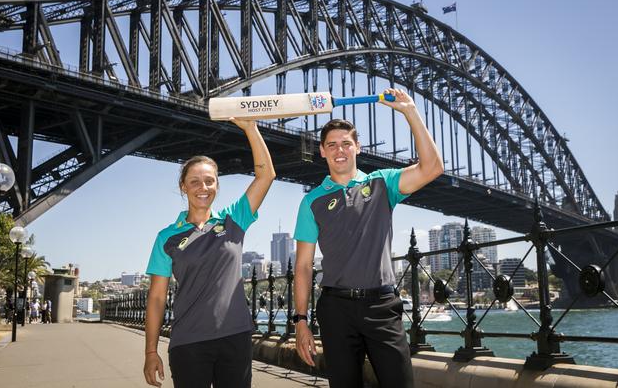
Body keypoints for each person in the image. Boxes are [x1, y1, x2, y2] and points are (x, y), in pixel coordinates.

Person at [293, 88, 443, 387]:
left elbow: (433, 168)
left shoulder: (382, 183)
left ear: (357, 147)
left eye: (346, 144)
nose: (339, 151)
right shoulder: (312, 201)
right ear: (321, 150)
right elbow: (304, 267)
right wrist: (300, 321)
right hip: (335, 308)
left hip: (381, 306)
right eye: (332, 145)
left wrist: (410, 112)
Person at [143, 119, 275, 388]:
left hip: (235, 337)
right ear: (183, 186)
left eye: (209, 181)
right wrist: (150, 351)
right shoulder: (166, 238)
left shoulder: (233, 220)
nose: (202, 188)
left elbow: (266, 176)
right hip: (188, 343)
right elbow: (156, 299)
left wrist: (251, 129)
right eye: (194, 182)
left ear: (217, 185)